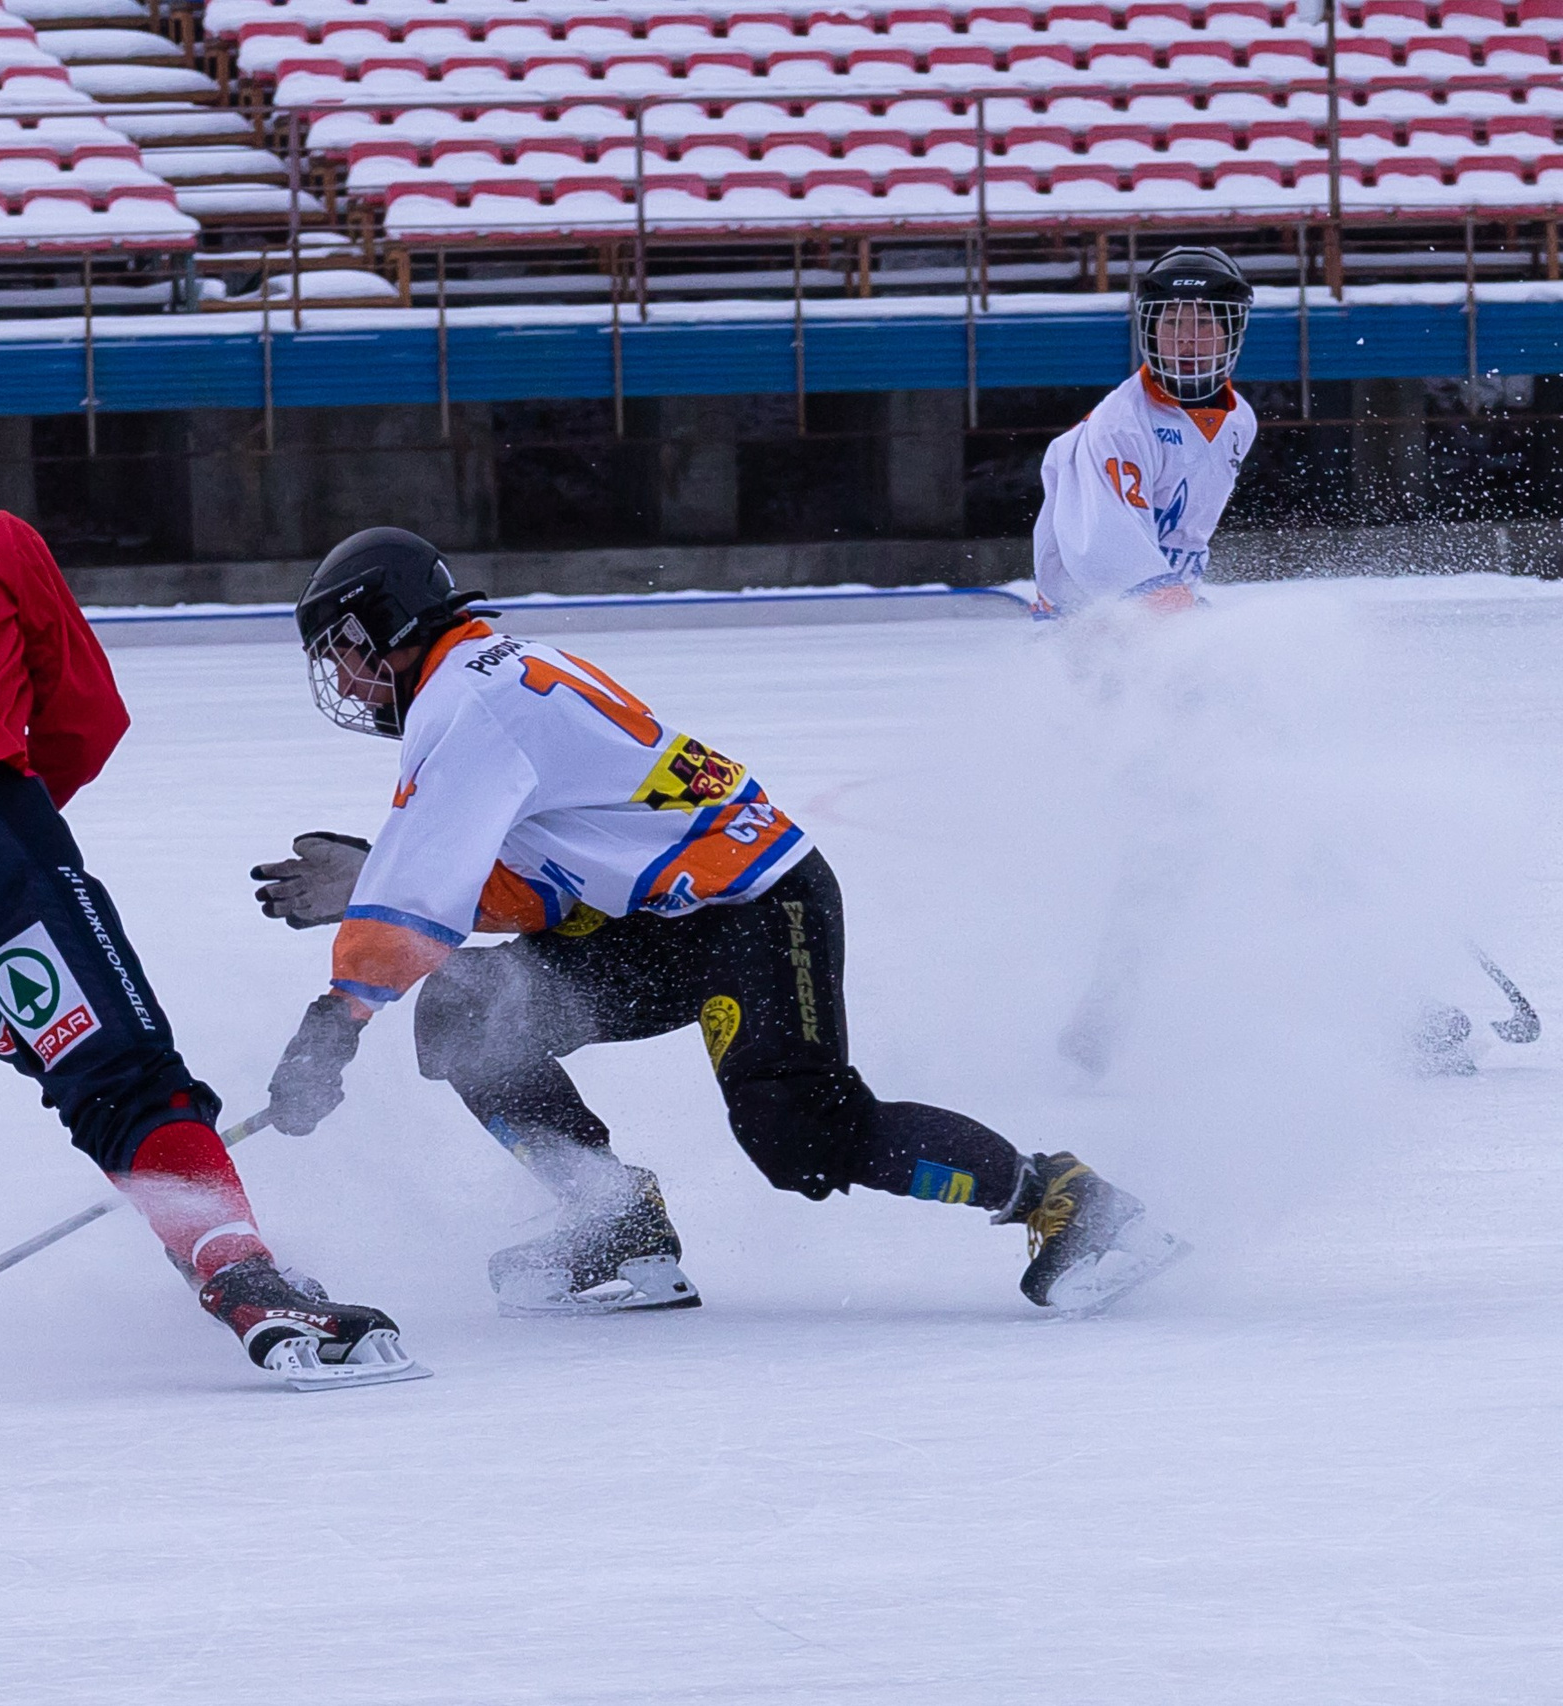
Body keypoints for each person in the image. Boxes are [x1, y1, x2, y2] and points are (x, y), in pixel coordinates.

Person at [250, 527, 1187, 1318]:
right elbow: (546, 881)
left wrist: (334, 1021)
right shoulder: (487, 676)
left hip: (755, 906)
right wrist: (389, 880)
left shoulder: (471, 702)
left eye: (346, 647)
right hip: (666, 917)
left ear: (393, 629)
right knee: (468, 1012)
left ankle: (1068, 1203)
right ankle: (614, 1221)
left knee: (801, 1134)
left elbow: (426, 898)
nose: (342, 673)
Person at [0, 390, 420, 1389]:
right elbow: (87, 717)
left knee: (93, 1073)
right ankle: (245, 1277)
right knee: (120, 1076)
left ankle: (209, 1242)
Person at [1032, 246, 1258, 618]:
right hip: (1091, 613)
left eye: (1203, 321)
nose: (1187, 339)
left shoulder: (1239, 420)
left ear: (1230, 332)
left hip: (1166, 598)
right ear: (1151, 330)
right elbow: (1104, 539)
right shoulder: (1121, 424)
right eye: (1170, 322)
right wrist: (1168, 600)